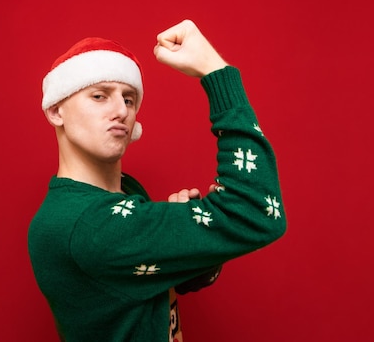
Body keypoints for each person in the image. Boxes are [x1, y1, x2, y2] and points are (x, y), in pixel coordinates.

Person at [28, 20, 286, 342]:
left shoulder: (125, 192)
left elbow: (150, 280)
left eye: (129, 99)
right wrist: (216, 71)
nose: (121, 110)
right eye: (99, 96)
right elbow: (257, 210)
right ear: (55, 111)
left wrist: (186, 242)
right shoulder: (89, 224)